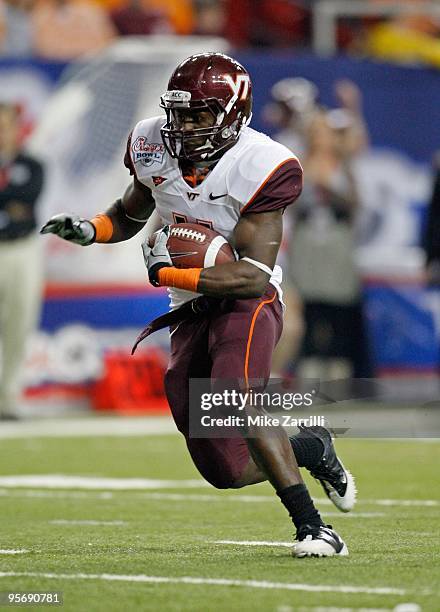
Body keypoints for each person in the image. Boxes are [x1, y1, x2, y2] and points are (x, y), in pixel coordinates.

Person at [41, 53, 356, 557]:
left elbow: (252, 277)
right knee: (223, 469)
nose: (182, 126)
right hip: (188, 307)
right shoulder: (151, 142)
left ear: (232, 114)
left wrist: (168, 270)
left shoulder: (262, 164)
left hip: (244, 301)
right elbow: (129, 212)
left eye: (198, 116)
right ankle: (309, 447)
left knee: (238, 393)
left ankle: (315, 528)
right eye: (178, 113)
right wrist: (90, 229)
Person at [0, 102, 44, 419]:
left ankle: (9, 395)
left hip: (22, 248)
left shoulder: (32, 164)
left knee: (19, 321)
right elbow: (12, 202)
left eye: (6, 125)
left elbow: (27, 199)